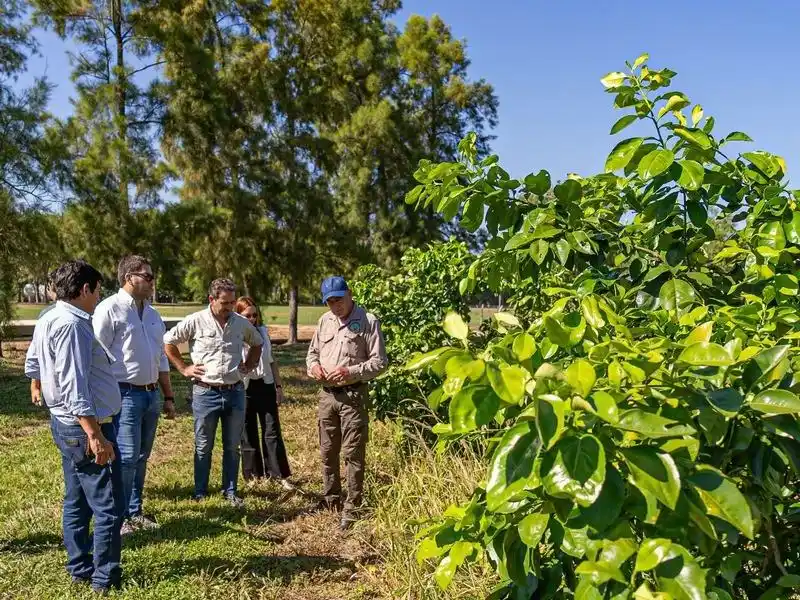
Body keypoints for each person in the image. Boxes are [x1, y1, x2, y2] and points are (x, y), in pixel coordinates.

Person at [24, 260, 124, 594]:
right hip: (84, 428)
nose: (99, 297)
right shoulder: (71, 324)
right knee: (108, 507)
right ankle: (103, 577)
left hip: (66, 424)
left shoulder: (49, 317)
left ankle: (79, 568)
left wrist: (37, 385)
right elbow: (74, 384)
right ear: (85, 289)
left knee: (76, 499)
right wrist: (94, 433)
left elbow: (34, 361)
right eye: (98, 290)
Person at [93, 255, 177, 535]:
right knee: (126, 457)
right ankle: (117, 519)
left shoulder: (153, 314)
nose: (153, 282)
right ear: (130, 278)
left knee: (141, 456)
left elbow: (161, 359)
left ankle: (134, 511)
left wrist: (168, 396)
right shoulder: (109, 309)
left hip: (151, 395)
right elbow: (96, 356)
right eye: (148, 277)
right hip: (124, 394)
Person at [163, 278, 263, 507]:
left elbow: (257, 342)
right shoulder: (196, 321)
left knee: (232, 445)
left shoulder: (240, 323)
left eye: (232, 302)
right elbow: (169, 342)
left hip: (235, 392)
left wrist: (249, 364)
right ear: (212, 299)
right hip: (205, 392)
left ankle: (230, 491)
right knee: (203, 445)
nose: (229, 307)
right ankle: (200, 492)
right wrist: (184, 368)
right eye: (225, 302)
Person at [306, 276, 387, 530]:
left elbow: (380, 363)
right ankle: (331, 498)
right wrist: (315, 368)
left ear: (349, 294)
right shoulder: (324, 321)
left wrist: (350, 371)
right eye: (330, 301)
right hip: (327, 396)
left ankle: (353, 506)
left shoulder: (367, 321)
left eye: (339, 300)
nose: (335, 306)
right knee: (328, 450)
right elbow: (312, 354)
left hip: (353, 396)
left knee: (353, 453)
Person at [235, 297, 293, 489]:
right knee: (247, 431)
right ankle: (253, 476)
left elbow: (271, 361)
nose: (251, 319)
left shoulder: (263, 332)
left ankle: (278, 475)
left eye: (254, 315)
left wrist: (278, 386)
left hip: (265, 384)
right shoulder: (234, 336)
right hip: (245, 387)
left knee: (272, 430)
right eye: (246, 316)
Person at [30, 270, 58, 407]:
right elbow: (37, 352)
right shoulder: (46, 314)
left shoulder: (46, 314)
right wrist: (35, 385)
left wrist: (35, 386)